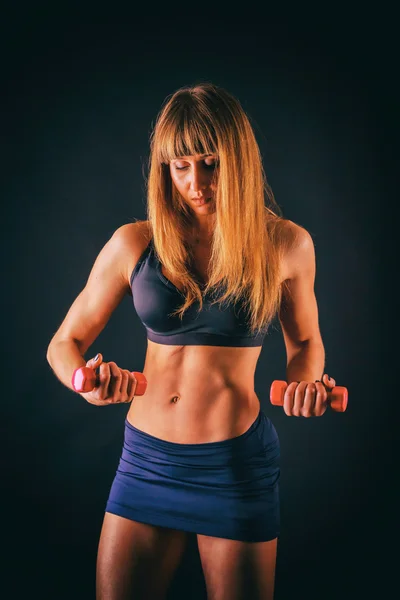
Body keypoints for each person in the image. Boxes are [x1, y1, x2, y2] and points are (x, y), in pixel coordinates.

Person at [47, 82, 336, 600]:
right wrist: (84, 382)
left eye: (210, 163)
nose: (195, 182)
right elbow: (64, 342)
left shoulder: (287, 245)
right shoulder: (133, 243)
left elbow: (306, 343)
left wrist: (305, 385)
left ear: (238, 161)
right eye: (180, 166)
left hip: (234, 467)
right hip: (146, 461)